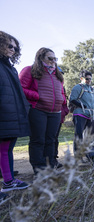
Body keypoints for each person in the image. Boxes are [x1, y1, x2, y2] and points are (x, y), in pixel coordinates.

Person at [19, 47, 66, 174]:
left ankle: (50, 167)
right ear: (41, 58)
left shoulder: (57, 73)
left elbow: (61, 91)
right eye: (50, 58)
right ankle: (39, 169)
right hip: (38, 110)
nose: (53, 61)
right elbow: (20, 88)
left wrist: (62, 101)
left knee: (51, 140)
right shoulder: (30, 70)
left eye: (55, 59)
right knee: (38, 140)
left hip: (55, 112)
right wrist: (38, 96)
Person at [0, 31, 30, 197]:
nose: (12, 49)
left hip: (12, 114)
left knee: (8, 149)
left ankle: (9, 179)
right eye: (9, 46)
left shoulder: (9, 66)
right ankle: (8, 182)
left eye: (15, 47)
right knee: (4, 149)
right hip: (4, 114)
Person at [69, 70, 94, 154]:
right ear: (81, 78)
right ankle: (78, 157)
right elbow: (72, 99)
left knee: (88, 136)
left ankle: (86, 154)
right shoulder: (78, 87)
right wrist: (82, 106)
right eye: (87, 79)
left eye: (90, 79)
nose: (89, 80)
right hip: (80, 114)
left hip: (89, 115)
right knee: (79, 135)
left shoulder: (90, 89)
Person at [53, 68, 69, 168]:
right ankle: (47, 161)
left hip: (59, 116)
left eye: (61, 74)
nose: (60, 76)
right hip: (51, 114)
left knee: (55, 138)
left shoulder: (62, 87)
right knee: (50, 138)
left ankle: (53, 159)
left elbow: (64, 101)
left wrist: (65, 111)